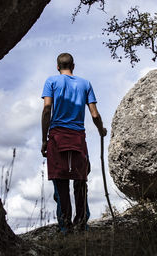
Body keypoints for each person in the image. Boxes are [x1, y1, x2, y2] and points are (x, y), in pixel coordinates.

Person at [41, 53, 107, 234]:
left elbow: (47, 110)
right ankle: (81, 224)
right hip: (78, 138)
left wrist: (43, 140)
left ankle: (65, 226)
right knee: (80, 181)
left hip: (56, 137)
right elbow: (94, 114)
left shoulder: (51, 82)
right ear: (73, 65)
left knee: (60, 182)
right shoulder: (85, 84)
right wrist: (101, 130)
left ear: (57, 66)